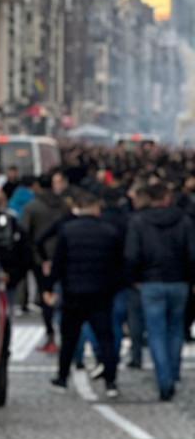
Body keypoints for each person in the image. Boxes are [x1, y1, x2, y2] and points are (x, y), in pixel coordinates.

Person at [45, 189, 125, 398]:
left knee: (69, 337)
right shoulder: (109, 231)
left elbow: (58, 263)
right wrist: (113, 287)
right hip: (100, 292)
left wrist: (49, 286)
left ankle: (62, 377)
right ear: (96, 208)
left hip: (73, 292)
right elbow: (119, 264)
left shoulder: (68, 230)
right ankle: (110, 381)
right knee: (105, 337)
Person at [125, 180, 195, 401]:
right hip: (179, 281)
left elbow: (132, 255)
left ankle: (163, 379)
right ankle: (173, 373)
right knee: (175, 330)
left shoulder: (138, 222)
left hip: (150, 281)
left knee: (156, 332)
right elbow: (192, 253)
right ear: (167, 198)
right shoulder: (184, 221)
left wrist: (134, 278)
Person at [23, 169, 71, 351]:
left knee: (46, 296)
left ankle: (51, 334)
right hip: (65, 255)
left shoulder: (32, 206)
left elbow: (26, 232)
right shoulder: (63, 206)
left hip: (40, 257)